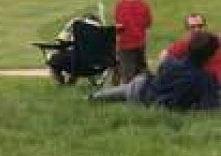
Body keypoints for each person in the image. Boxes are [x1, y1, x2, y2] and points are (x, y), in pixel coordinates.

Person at [89, 31, 220, 111]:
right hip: (149, 99)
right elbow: (209, 108)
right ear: (210, 54)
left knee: (123, 91)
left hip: (140, 89)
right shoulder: (205, 80)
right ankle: (95, 97)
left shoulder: (170, 63)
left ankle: (93, 97)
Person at [159, 14, 221, 83]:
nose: (197, 30)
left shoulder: (215, 41)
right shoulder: (185, 44)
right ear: (187, 30)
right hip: (202, 85)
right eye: (192, 27)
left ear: (205, 27)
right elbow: (163, 56)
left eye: (200, 26)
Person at [114, 0, 152, 83]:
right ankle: (146, 84)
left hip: (125, 43)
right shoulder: (144, 4)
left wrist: (117, 42)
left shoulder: (120, 5)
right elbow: (148, 24)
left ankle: (129, 89)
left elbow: (119, 26)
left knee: (128, 72)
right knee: (141, 67)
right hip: (140, 41)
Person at [46, 14, 103, 84]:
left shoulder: (75, 23)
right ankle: (71, 81)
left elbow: (61, 41)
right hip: (96, 65)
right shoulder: (102, 30)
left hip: (75, 63)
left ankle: (63, 83)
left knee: (53, 58)